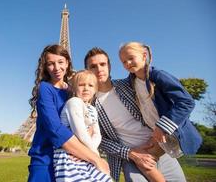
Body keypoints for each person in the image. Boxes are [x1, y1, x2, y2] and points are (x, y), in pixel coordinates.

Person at [84, 47, 199, 182]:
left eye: (102, 64)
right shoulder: (89, 104)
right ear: (87, 70)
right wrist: (130, 153)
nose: (99, 69)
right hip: (131, 156)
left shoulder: (128, 84)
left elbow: (145, 73)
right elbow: (101, 140)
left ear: (109, 65)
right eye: (93, 66)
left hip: (159, 144)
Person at [27, 44, 110, 182]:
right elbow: (56, 130)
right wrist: (95, 158)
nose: (57, 68)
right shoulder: (46, 88)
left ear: (67, 63)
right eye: (50, 64)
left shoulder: (74, 90)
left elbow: (86, 125)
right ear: (45, 67)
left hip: (75, 157)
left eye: (60, 62)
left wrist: (84, 150)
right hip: (46, 157)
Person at [53, 70, 112, 182]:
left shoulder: (93, 109)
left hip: (87, 153)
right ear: (74, 88)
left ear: (95, 90)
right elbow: (79, 132)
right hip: (69, 155)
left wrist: (92, 153)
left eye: (90, 85)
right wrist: (95, 156)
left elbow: (97, 134)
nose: (86, 88)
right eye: (81, 85)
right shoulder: (74, 102)